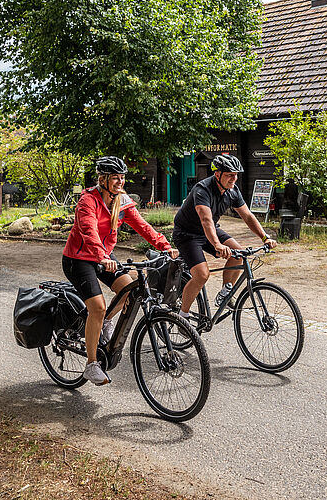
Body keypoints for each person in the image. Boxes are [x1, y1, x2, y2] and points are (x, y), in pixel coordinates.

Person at [62, 156, 178, 386]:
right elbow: (88, 231)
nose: (120, 181)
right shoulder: (88, 200)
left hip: (105, 256)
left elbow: (142, 226)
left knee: (129, 289)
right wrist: (102, 256)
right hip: (79, 258)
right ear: (102, 179)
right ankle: (92, 364)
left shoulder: (122, 201)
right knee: (97, 306)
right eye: (115, 177)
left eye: (122, 177)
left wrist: (165, 246)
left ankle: (104, 322)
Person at [173, 154, 277, 320]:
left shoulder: (233, 191)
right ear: (217, 174)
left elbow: (248, 216)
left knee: (238, 253)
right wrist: (217, 245)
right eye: (229, 175)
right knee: (202, 275)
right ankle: (182, 315)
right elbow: (206, 220)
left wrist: (265, 237)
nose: (234, 179)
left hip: (210, 230)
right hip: (187, 234)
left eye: (236, 175)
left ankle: (225, 292)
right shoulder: (202, 190)